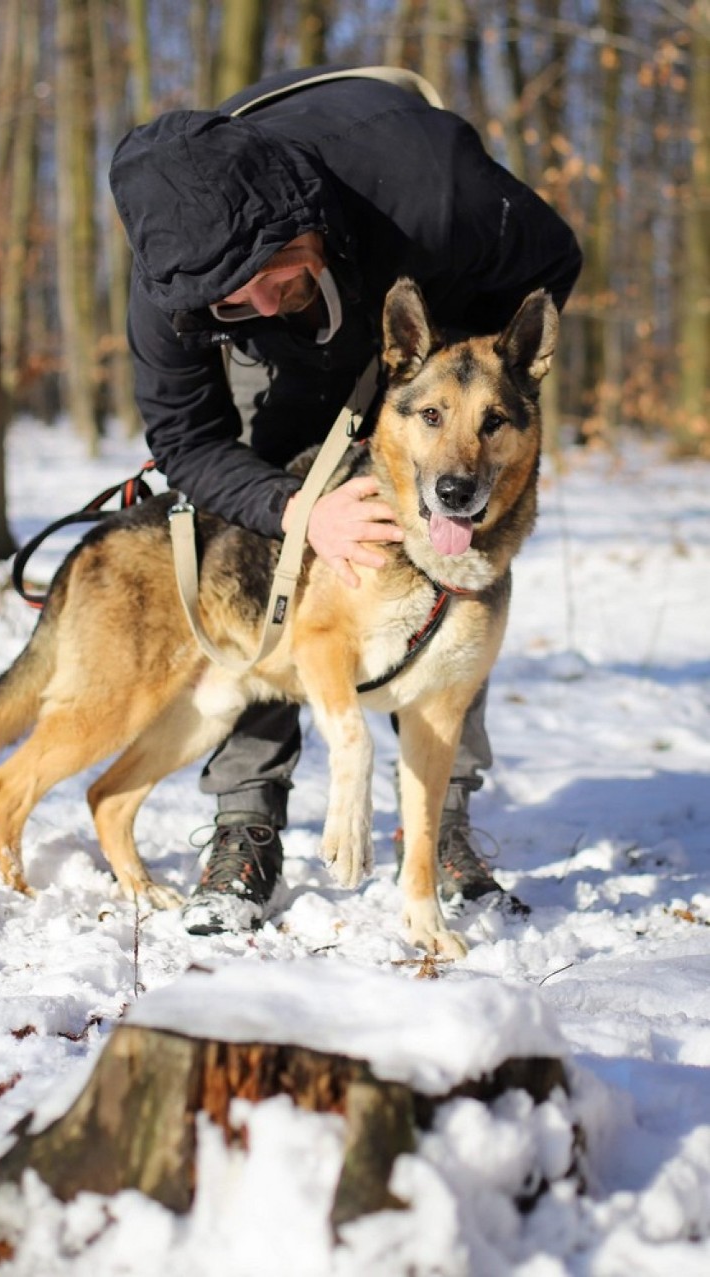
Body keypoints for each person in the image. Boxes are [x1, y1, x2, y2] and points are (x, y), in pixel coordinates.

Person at [109, 66, 582, 935]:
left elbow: (553, 261)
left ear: (295, 222)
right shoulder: (176, 293)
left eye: (265, 270)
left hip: (419, 308)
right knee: (256, 564)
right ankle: (246, 816)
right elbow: (185, 441)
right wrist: (295, 507)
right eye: (229, 292)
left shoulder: (428, 187)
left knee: (457, 560)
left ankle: (440, 827)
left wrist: (452, 376)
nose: (258, 296)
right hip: (279, 375)